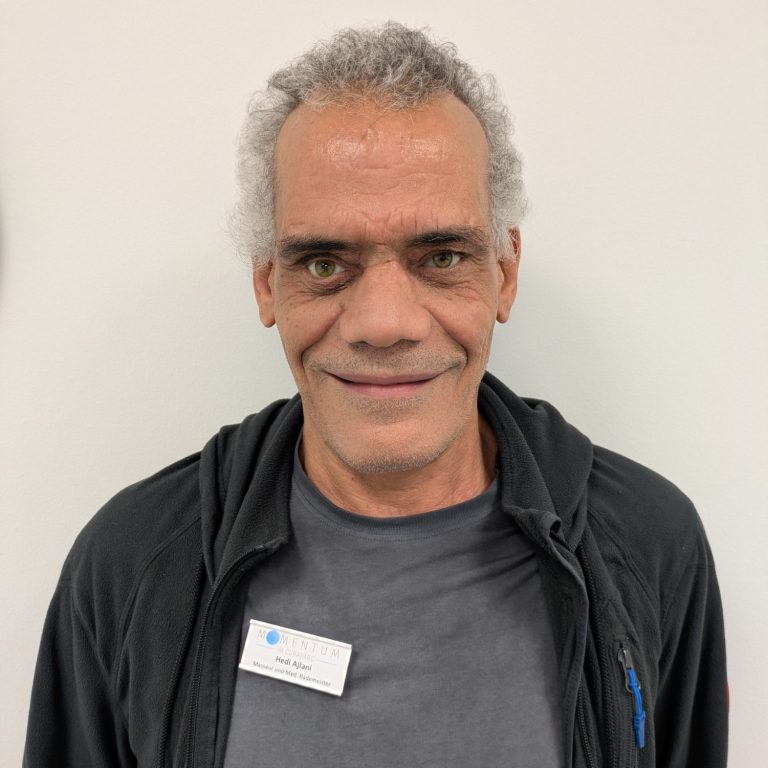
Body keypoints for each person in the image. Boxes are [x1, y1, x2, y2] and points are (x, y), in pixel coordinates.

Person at [23, 22, 727, 768]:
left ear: (504, 271)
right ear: (266, 281)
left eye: (442, 256)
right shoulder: (133, 563)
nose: (384, 324)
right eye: (324, 263)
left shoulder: (647, 543)